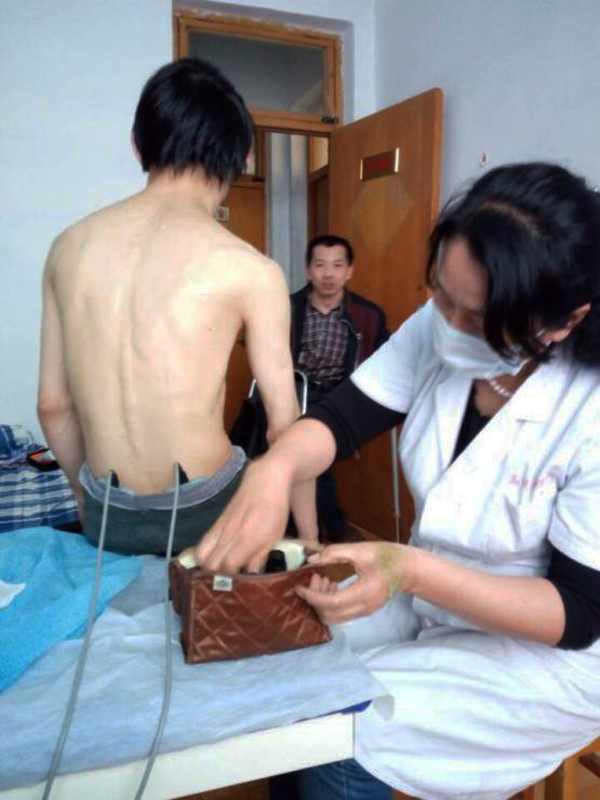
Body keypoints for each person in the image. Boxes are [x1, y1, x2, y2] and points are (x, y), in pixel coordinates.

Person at [196, 162, 600, 799]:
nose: (446, 325)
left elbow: (578, 614)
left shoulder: (588, 410)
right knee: (286, 662)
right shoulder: (437, 325)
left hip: (549, 655)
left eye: (477, 316)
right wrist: (274, 469)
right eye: (440, 294)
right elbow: (343, 418)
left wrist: (406, 569)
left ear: (565, 321)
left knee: (340, 729)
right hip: (436, 596)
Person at [37, 57, 316, 555]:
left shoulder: (67, 248)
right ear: (244, 155)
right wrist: (308, 537)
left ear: (137, 145)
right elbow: (283, 427)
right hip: (206, 506)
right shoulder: (252, 269)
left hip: (109, 509)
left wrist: (86, 498)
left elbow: (53, 405)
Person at [291, 234, 388, 539]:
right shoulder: (288, 308)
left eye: (337, 265)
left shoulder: (368, 315)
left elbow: (385, 359)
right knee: (307, 464)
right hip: (296, 395)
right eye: (320, 265)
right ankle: (329, 530)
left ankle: (319, 531)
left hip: (341, 399)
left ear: (349, 271)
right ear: (308, 271)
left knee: (311, 463)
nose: (329, 274)